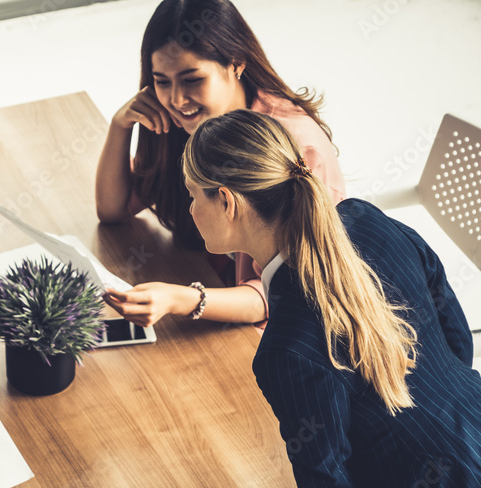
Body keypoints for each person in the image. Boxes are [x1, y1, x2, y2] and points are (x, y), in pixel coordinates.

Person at [183, 109, 481, 488]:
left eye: (193, 194)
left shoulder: (287, 348)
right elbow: (455, 334)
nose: (190, 209)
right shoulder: (365, 219)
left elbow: (326, 480)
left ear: (226, 200)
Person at [96, 0, 346, 328]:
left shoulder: (293, 149)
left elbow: (284, 294)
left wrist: (182, 299)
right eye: (162, 81)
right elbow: (113, 210)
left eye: (192, 79)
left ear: (236, 63)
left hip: (276, 333)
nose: (176, 100)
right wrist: (120, 125)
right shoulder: (182, 122)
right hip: (213, 286)